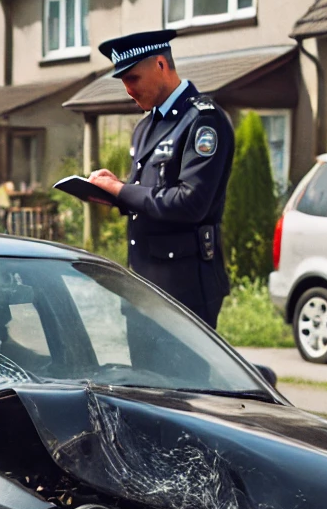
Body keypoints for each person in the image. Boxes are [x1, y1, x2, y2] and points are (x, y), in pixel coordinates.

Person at [87, 29, 233, 327]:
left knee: (183, 375)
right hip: (143, 284)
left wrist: (121, 190)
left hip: (184, 288)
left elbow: (190, 203)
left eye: (133, 79)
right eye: (124, 81)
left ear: (160, 65)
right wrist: (112, 193)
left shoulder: (203, 120)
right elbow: (147, 197)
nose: (128, 90)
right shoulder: (145, 127)